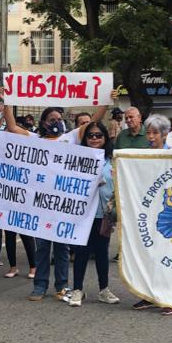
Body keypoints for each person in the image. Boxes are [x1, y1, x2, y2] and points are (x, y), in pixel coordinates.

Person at [1, 93, 110, 302]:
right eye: (53, 120)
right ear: (43, 123)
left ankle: (62, 286)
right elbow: (13, 127)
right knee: (43, 247)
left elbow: (93, 122)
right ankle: (39, 286)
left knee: (62, 248)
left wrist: (106, 99)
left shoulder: (69, 138)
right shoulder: (35, 140)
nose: (57, 122)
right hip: (42, 205)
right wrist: (7, 102)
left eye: (59, 119)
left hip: (63, 205)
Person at [130, 115, 172, 315]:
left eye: (155, 133)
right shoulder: (142, 155)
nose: (151, 136)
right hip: (148, 211)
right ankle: (150, 295)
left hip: (170, 211)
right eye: (149, 133)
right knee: (150, 253)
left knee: (169, 254)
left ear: (164, 134)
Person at [67, 121, 120, 307]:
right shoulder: (78, 159)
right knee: (81, 252)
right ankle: (77, 290)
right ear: (85, 139)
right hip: (83, 214)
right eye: (91, 135)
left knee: (101, 252)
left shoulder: (112, 160)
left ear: (105, 138)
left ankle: (104, 290)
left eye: (99, 135)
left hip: (103, 214)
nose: (95, 139)